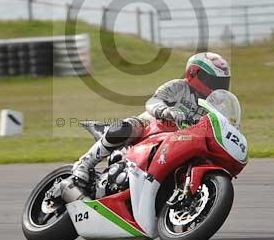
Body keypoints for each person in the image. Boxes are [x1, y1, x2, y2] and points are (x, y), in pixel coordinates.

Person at [71, 52, 231, 183]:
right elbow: (153, 102)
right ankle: (84, 163)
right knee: (128, 127)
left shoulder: (217, 104)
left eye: (222, 82)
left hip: (184, 141)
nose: (217, 86)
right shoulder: (178, 86)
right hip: (155, 127)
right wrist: (166, 111)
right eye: (213, 80)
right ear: (193, 73)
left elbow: (223, 125)